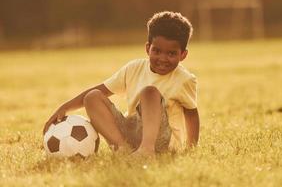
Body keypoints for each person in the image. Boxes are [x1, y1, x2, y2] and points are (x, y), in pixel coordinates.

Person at [43, 11, 200, 156]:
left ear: (183, 55)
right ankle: (122, 148)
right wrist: (64, 107)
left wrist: (191, 147)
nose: (162, 58)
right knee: (92, 97)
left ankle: (147, 149)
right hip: (131, 131)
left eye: (171, 54)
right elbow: (100, 90)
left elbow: (191, 114)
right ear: (147, 48)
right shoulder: (134, 68)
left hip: (162, 141)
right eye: (157, 51)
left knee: (149, 92)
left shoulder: (184, 79)